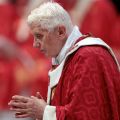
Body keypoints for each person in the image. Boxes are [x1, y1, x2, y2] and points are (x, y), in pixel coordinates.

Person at [8, 2, 120, 120]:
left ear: (61, 32)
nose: (35, 44)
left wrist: (45, 112)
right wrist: (46, 108)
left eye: (39, 36)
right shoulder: (69, 57)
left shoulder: (88, 57)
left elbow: (87, 116)